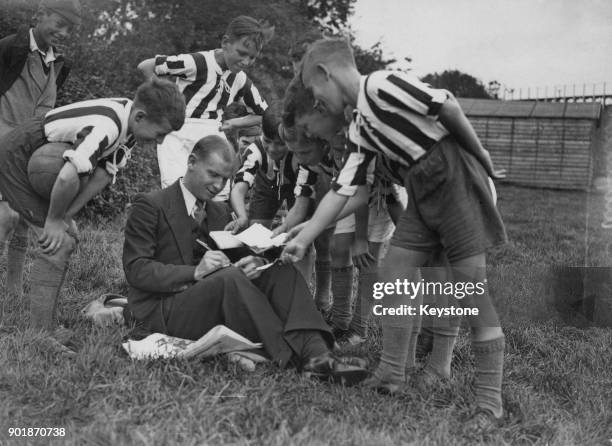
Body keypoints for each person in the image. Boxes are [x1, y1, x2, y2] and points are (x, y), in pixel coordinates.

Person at [281, 38, 507, 428]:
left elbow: (447, 103)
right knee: (394, 273)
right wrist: (306, 233)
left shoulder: (379, 85)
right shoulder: (358, 127)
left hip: (457, 187)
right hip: (422, 195)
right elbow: (346, 190)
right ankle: (391, 374)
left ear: (324, 73)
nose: (317, 103)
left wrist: (482, 157)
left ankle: (490, 403)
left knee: (469, 291)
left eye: (315, 93)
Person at [122, 134, 369, 385]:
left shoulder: (218, 210)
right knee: (229, 279)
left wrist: (256, 263)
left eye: (225, 179)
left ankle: (318, 354)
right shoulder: (151, 205)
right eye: (213, 174)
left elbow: (233, 255)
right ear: (192, 162)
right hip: (163, 309)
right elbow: (136, 269)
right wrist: (195, 272)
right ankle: (296, 357)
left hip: (212, 298)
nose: (219, 186)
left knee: (278, 269)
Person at [0, 78, 185, 351]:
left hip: (32, 155)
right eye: (159, 133)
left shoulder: (129, 125)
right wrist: (52, 221)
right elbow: (66, 176)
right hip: (16, 157)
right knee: (57, 243)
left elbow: (101, 175)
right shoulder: (108, 124)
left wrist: (65, 217)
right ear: (141, 116)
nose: (159, 141)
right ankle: (40, 336)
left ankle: (46, 327)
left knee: (67, 235)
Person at [137, 15, 273, 202]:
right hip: (179, 131)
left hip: (212, 134)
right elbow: (146, 66)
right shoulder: (198, 62)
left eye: (252, 57)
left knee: (217, 196)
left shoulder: (240, 79)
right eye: (241, 53)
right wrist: (167, 100)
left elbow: (264, 114)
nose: (246, 62)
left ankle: (209, 231)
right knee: (176, 193)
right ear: (226, 42)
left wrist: (233, 123)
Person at [0, 0, 81, 299]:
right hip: (2, 143)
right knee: (5, 216)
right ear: (39, 15)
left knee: (22, 220)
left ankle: (13, 290)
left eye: (69, 29)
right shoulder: (9, 48)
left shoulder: (60, 64)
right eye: (58, 24)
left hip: (30, 150)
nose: (63, 33)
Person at [227, 104, 299, 234]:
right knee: (256, 232)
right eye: (267, 140)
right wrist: (242, 216)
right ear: (261, 131)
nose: (272, 149)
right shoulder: (255, 151)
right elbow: (238, 188)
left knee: (301, 232)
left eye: (280, 144)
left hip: (298, 187)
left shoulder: (300, 154)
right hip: (267, 185)